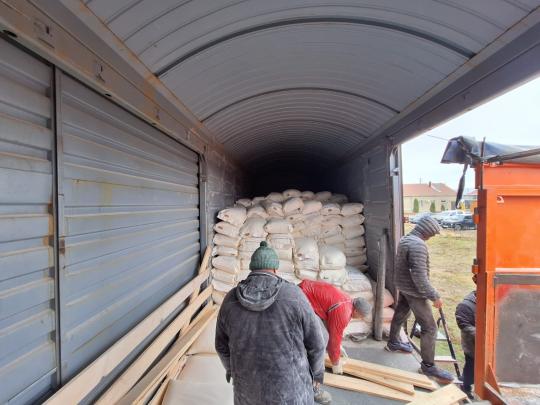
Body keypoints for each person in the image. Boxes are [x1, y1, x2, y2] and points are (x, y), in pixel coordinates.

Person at [215, 241, 332, 405]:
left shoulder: (230, 300)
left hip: (247, 392)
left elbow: (221, 346)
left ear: (252, 268)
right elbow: (317, 343)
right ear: (275, 269)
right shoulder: (293, 296)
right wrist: (317, 374)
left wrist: (232, 370)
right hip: (290, 393)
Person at [385, 216, 454, 383]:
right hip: (415, 292)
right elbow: (420, 277)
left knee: (401, 314)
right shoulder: (417, 246)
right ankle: (428, 367)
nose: (433, 237)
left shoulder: (406, 239)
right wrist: (434, 296)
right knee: (429, 328)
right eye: (433, 234)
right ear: (427, 232)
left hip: (404, 286)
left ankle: (393, 342)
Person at [299, 279, 372, 374]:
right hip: (302, 297)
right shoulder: (344, 313)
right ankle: (313, 371)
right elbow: (334, 340)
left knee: (321, 334)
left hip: (305, 290)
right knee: (322, 339)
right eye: (361, 316)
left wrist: (338, 347)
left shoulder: (347, 300)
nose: (360, 318)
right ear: (356, 311)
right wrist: (335, 363)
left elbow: (330, 325)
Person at [455, 275, 477, 399]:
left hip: (488, 343)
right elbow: (463, 324)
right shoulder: (465, 306)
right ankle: (465, 386)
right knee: (471, 367)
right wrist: (481, 333)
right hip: (472, 345)